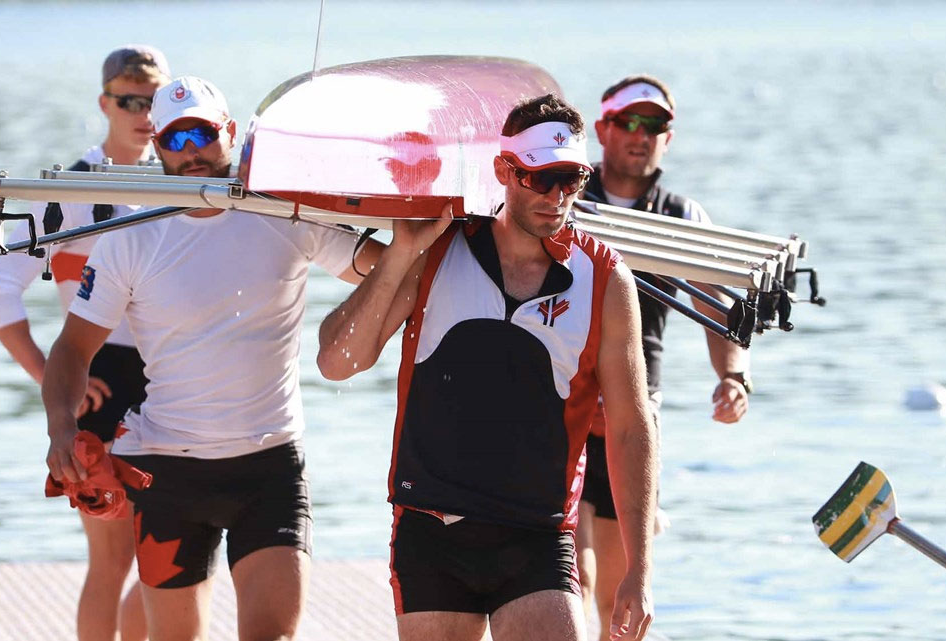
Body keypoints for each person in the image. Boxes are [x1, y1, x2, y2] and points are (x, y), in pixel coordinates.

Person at [41, 75, 385, 641]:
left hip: (269, 466)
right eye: (174, 140)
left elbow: (384, 266)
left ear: (230, 134)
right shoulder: (128, 239)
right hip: (168, 473)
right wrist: (60, 429)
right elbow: (71, 349)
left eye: (201, 134)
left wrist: (421, 235)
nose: (190, 151)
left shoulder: (285, 214)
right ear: (156, 147)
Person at [317, 93, 657, 641]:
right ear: (503, 170)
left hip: (537, 536)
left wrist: (640, 570)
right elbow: (338, 361)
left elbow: (630, 426)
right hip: (432, 530)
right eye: (539, 178)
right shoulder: (437, 249)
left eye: (571, 180)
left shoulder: (604, 277)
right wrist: (402, 251)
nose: (557, 196)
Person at [0, 43, 170, 641]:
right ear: (104, 103)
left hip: (175, 379)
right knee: (113, 562)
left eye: (155, 100)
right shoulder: (69, 190)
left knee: (174, 557)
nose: (142, 112)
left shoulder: (187, 183)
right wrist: (52, 379)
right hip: (101, 380)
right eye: (129, 100)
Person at [574, 75, 751, 634]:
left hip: (631, 415)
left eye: (654, 126)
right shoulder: (566, 198)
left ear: (667, 139)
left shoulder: (682, 214)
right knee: (570, 571)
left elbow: (719, 306)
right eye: (628, 122)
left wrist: (734, 378)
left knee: (619, 596)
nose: (640, 134)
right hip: (564, 406)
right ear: (601, 129)